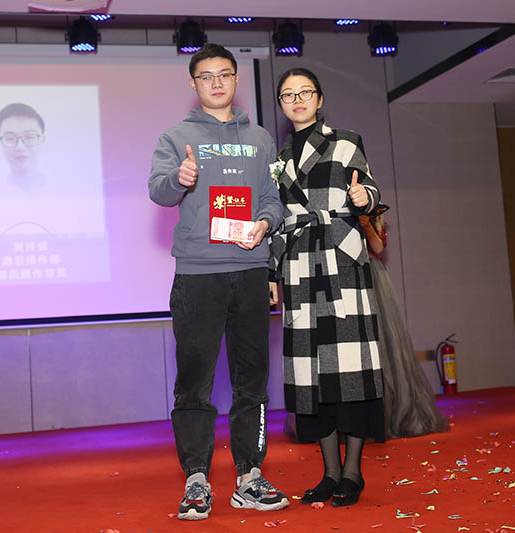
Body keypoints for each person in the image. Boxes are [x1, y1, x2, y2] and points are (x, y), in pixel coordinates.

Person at [148, 43, 288, 521]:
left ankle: (250, 476)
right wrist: (180, 178)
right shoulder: (176, 137)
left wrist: (264, 224)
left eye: (224, 74)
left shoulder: (260, 139)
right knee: (194, 383)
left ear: (235, 79)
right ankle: (196, 480)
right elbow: (158, 190)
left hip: (249, 271)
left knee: (253, 380)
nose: (216, 83)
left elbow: (272, 199)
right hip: (198, 275)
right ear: (194, 83)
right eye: (206, 76)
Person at [269, 67, 383, 507]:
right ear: (282, 105)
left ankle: (352, 472)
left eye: (305, 92)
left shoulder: (346, 141)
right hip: (300, 265)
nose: (297, 100)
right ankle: (329, 472)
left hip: (341, 261)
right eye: (288, 95)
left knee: (349, 371)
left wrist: (364, 198)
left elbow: (369, 188)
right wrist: (272, 273)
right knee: (311, 375)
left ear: (320, 99)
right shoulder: (277, 159)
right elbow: (276, 220)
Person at [359, 206, 450, 439]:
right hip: (344, 277)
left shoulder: (372, 209)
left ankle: (386, 415)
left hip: (372, 280)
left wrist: (366, 224)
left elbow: (378, 247)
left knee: (383, 348)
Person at [0, 103, 47, 193]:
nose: (20, 147)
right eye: (10, 138)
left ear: (42, 140)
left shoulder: (62, 190)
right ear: (1, 142)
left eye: (29, 137)